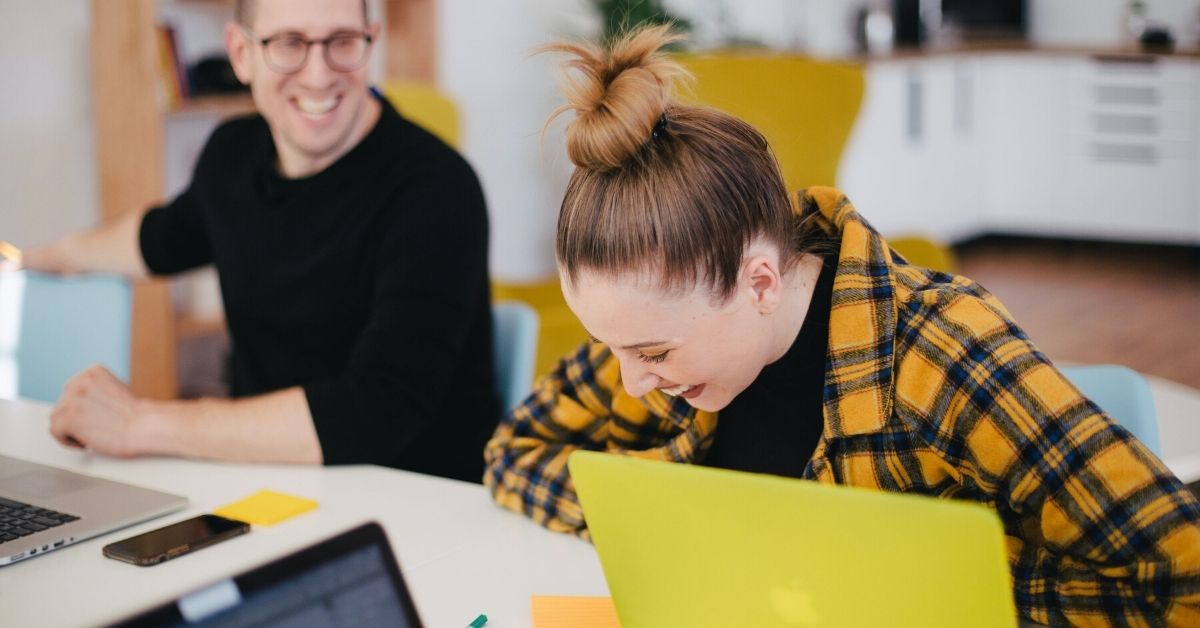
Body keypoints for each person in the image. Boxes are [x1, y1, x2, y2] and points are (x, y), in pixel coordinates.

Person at [483, 24, 1200, 624]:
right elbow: (514, 453)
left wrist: (923, 583)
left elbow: (1178, 577)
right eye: (615, 349)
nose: (633, 383)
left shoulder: (942, 351)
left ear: (759, 280)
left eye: (652, 352)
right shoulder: (658, 329)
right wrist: (680, 520)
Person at [19, 0, 499, 483]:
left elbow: (375, 412)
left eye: (342, 42)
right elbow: (161, 238)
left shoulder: (436, 189)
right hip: (269, 482)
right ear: (241, 53)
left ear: (370, 43)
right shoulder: (233, 154)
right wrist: (42, 256)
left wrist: (140, 422)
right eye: (288, 44)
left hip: (419, 503)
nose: (317, 75)